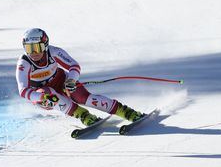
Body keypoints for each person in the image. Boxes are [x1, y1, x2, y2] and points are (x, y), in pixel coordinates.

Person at [15, 28, 145, 126]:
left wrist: (71, 80)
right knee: (50, 96)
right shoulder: (24, 63)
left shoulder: (53, 52)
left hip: (61, 81)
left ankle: (126, 112)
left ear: (45, 45)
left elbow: (74, 66)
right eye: (29, 48)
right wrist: (40, 97)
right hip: (43, 93)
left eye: (37, 48)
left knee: (83, 98)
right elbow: (23, 90)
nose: (33, 53)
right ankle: (83, 115)